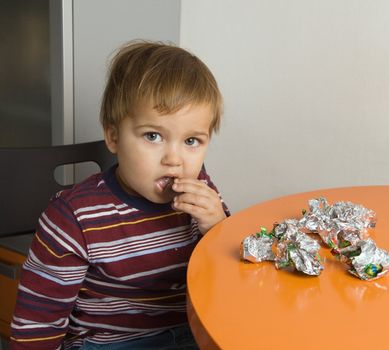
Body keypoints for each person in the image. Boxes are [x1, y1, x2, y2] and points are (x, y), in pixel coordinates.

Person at [10, 41, 229, 349]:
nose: (174, 159)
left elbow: (229, 273)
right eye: (153, 136)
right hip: (109, 343)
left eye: (191, 141)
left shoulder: (201, 190)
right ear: (113, 136)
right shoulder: (73, 218)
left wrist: (217, 229)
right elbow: (37, 324)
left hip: (191, 330)